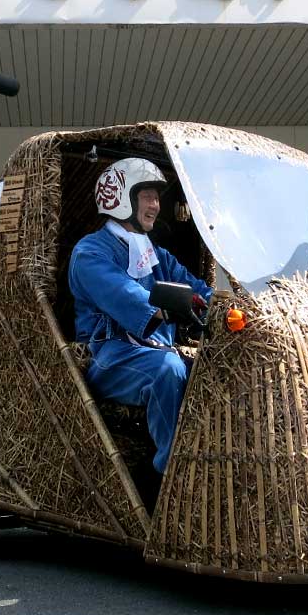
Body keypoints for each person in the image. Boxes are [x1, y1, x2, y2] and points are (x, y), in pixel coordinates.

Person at [69, 157, 212, 475]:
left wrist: (231, 308)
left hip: (157, 353)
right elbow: (126, 297)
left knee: (212, 372)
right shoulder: (90, 252)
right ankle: (171, 478)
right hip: (112, 355)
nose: (156, 205)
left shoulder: (156, 254)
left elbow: (198, 289)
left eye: (157, 197)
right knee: (168, 369)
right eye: (148, 195)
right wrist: (171, 306)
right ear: (122, 198)